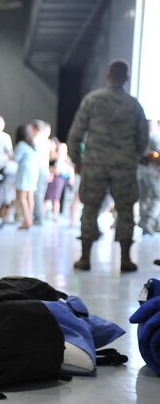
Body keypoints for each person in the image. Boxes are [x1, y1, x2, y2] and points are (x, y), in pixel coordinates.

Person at [68, 59, 149, 272]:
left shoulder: (92, 100)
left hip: (95, 164)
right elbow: (143, 138)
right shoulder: (134, 105)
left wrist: (77, 160)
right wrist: (133, 156)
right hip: (124, 166)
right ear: (127, 78)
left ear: (107, 75)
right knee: (125, 210)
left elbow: (76, 133)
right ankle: (125, 259)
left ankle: (85, 257)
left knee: (90, 208)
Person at [13, 124, 39, 230]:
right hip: (33, 172)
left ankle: (27, 221)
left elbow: (16, 158)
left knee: (22, 197)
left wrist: (10, 155)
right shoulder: (32, 145)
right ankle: (29, 219)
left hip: (24, 172)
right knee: (30, 196)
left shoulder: (21, 145)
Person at [44, 142, 75, 222]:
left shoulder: (66, 159)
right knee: (47, 197)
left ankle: (55, 215)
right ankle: (43, 213)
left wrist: (71, 178)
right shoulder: (54, 157)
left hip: (60, 179)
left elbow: (70, 170)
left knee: (56, 198)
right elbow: (51, 167)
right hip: (52, 179)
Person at [139, 120, 160, 236]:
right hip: (152, 173)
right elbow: (154, 155)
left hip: (143, 173)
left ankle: (148, 223)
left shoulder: (143, 138)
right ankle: (147, 221)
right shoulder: (155, 137)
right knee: (157, 198)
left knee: (145, 199)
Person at [31, 119, 52, 224]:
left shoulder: (35, 140)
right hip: (44, 170)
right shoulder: (47, 141)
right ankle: (38, 216)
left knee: (37, 194)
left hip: (38, 170)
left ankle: (39, 218)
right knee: (40, 193)